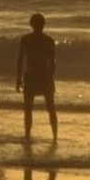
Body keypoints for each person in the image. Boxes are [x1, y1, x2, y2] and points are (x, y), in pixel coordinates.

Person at [14, 12, 58, 141]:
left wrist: (18, 79)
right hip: (45, 76)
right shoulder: (49, 41)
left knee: (28, 109)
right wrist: (51, 78)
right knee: (51, 108)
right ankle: (55, 136)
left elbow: (20, 60)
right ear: (43, 25)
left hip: (31, 76)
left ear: (31, 25)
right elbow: (53, 63)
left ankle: (27, 135)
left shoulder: (26, 40)